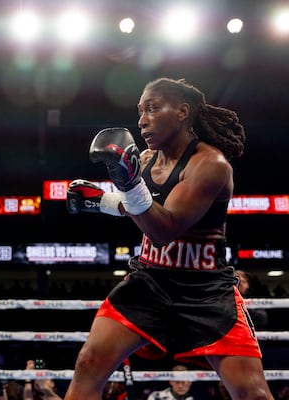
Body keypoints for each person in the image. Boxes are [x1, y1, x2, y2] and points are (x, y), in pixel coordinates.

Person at [65, 77, 273, 400]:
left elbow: (164, 229)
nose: (141, 120)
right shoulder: (146, 161)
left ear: (181, 112)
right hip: (150, 279)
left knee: (252, 393)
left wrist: (130, 183)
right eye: (139, 112)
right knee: (88, 364)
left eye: (151, 108)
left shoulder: (211, 165)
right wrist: (101, 201)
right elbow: (139, 208)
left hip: (205, 290)